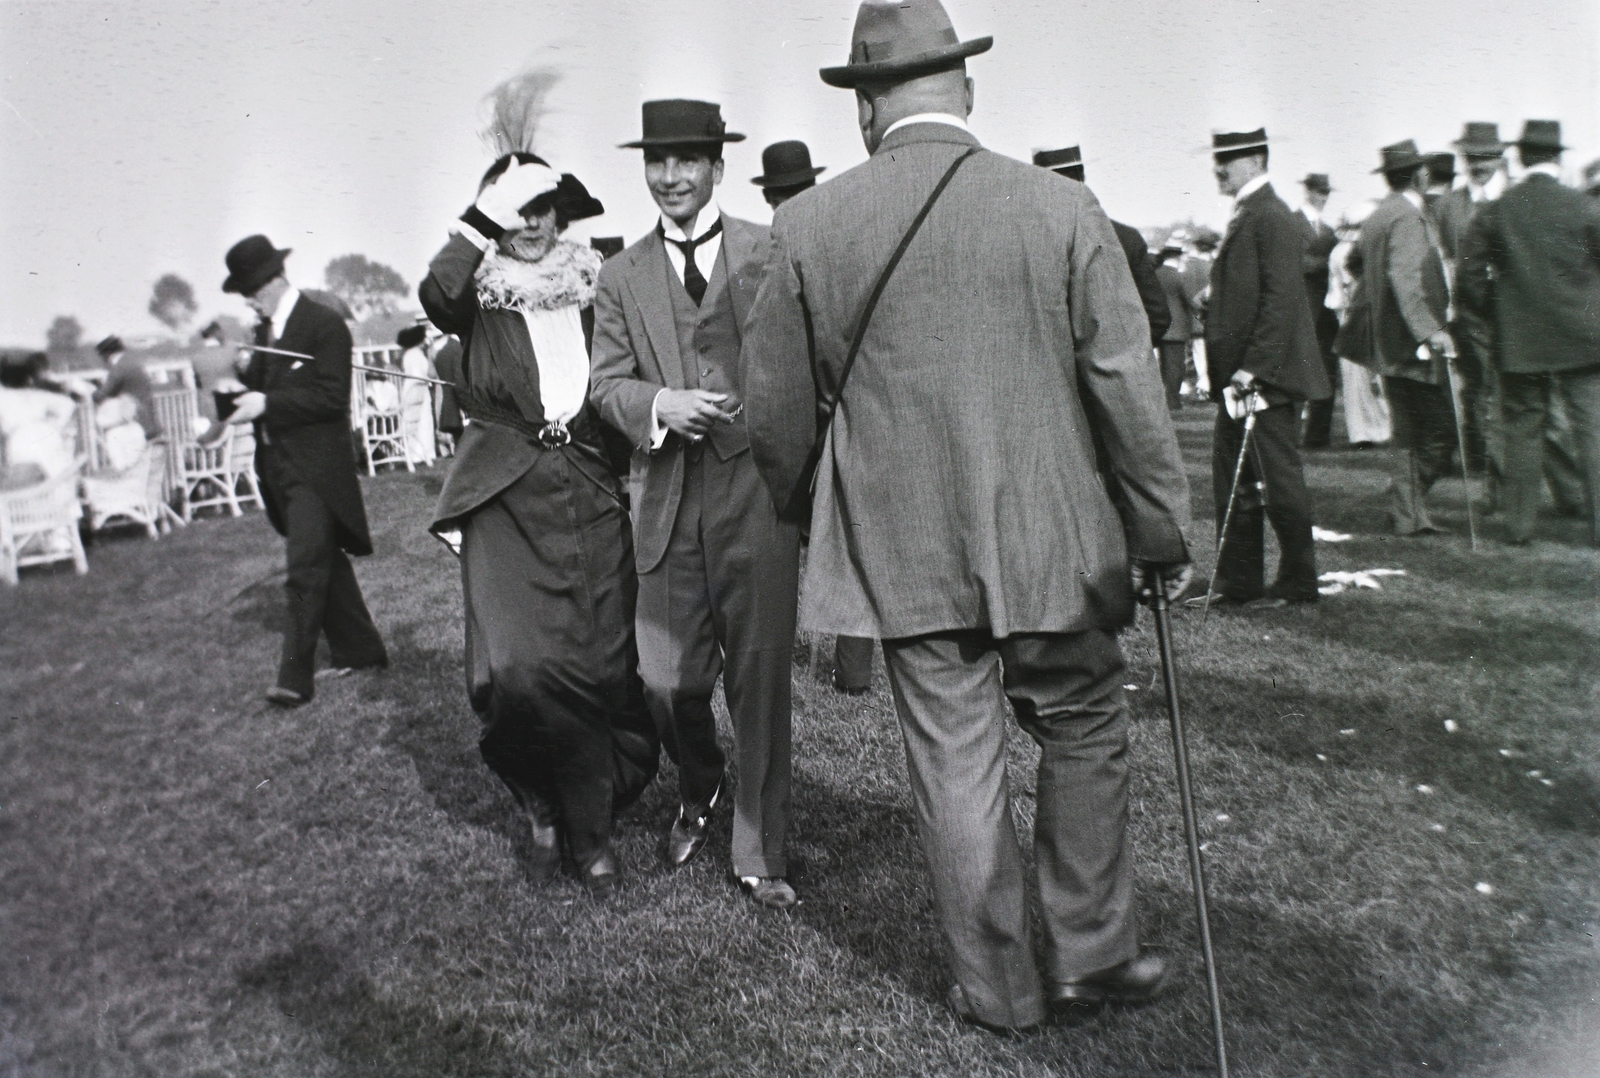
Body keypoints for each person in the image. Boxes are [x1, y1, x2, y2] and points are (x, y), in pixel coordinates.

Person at [745, 0, 1192, 1031]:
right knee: (1083, 723)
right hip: (1054, 541)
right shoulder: (1061, 206)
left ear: (864, 108)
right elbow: (1126, 386)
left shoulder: (806, 227)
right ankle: (1088, 953)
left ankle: (999, 991)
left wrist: (813, 509)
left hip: (903, 548)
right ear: (969, 90)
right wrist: (1160, 529)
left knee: (954, 761)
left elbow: (775, 416)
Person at [418, 153, 660, 890]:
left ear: (562, 215)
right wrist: (482, 214)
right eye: (515, 210)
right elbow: (435, 294)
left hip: (590, 491)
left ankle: (588, 833)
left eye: (541, 207)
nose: (530, 223)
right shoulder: (477, 293)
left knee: (601, 671)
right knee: (513, 674)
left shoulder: (597, 284)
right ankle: (538, 800)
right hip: (505, 501)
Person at [590, 99, 802, 911]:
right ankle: (700, 779)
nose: (671, 177)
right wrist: (659, 405)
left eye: (687, 161)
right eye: (658, 162)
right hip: (666, 497)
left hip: (755, 495)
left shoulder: (768, 250)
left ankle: (759, 851)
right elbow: (605, 384)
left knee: (758, 677)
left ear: (718, 166)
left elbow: (801, 366)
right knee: (664, 680)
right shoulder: (619, 275)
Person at [218, 234, 388, 706]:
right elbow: (259, 391)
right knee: (322, 557)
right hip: (278, 469)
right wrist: (232, 386)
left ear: (274, 281)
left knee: (304, 569)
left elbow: (332, 397)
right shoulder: (263, 334)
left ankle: (293, 678)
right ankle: (362, 650)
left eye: (251, 291)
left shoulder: (324, 325)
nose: (248, 301)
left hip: (317, 472)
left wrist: (268, 403)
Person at [752, 139, 876, 695]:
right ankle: (849, 667)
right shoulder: (843, 241)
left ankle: (849, 667)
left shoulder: (772, 252)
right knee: (848, 539)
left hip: (814, 414)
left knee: (839, 538)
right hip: (836, 409)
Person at [1198, 128, 1328, 607]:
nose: (1218, 168)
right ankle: (1239, 581)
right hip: (1243, 378)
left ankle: (1298, 581)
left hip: (1262, 378)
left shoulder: (1270, 215)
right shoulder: (1251, 213)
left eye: (1228, 158)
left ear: (1255, 160)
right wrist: (1214, 297)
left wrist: (1253, 368)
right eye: (1217, 157)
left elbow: (1282, 300)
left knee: (1278, 480)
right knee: (1236, 479)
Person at [1459, 120, 1600, 547]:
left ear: (1519, 157)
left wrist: (1495, 314)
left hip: (1520, 338)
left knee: (1522, 430)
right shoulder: (1584, 206)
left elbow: (1469, 278)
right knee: (1592, 429)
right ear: (1557, 157)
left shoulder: (1498, 210)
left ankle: (1519, 527)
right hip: (1583, 337)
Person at [1340, 141, 1456, 536]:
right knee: (1440, 432)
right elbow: (1406, 280)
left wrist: (1378, 301)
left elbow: (1355, 264)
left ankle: (1407, 514)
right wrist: (1430, 331)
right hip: (1411, 343)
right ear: (1420, 175)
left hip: (1388, 340)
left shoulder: (1379, 215)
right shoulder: (1407, 216)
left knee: (1407, 433)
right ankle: (1404, 504)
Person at [1033, 147, 1171, 349]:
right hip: (1116, 362)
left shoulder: (1029, 240)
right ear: (1082, 177)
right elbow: (1157, 317)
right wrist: (1121, 356)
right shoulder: (1126, 237)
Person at [1327, 202, 1392, 446]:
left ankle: (1365, 431)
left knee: (1358, 375)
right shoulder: (1354, 251)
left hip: (1350, 315)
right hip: (1360, 314)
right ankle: (1375, 429)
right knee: (1369, 374)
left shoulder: (1340, 251)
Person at [1297, 174, 1343, 448]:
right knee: (1296, 374)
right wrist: (1331, 261)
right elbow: (1293, 262)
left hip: (1324, 313)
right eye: (1319, 192)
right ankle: (1289, 435)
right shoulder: (1290, 224)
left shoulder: (1328, 230)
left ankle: (1317, 436)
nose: (1324, 198)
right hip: (1299, 310)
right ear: (1307, 191)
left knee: (1326, 373)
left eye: (1327, 193)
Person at [0, 352, 78, 489]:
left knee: (27, 482)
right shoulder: (37, 395)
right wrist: (55, 424)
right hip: (45, 433)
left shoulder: (4, 397)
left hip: (19, 439)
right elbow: (68, 405)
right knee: (59, 476)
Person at [1153, 237, 1196, 410]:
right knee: (1176, 367)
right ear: (1178, 256)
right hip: (1176, 328)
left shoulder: (1155, 274)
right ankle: (1172, 400)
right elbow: (1191, 301)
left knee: (1163, 366)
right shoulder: (1179, 277)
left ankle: (1163, 399)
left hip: (1157, 326)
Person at [91, 336, 158, 441]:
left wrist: (92, 393)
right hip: (146, 416)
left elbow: (104, 393)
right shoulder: (131, 362)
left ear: (107, 354)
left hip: (133, 420)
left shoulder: (119, 368)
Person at [396, 324, 437, 466]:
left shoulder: (409, 354)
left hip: (412, 389)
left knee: (415, 421)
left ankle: (417, 452)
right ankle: (424, 452)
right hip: (418, 390)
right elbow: (429, 374)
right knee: (422, 421)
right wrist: (430, 357)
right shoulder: (417, 355)